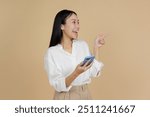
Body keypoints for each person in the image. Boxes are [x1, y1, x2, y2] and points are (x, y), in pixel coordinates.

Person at [44, 9, 105, 100]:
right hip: (65, 96)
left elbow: (94, 72)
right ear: (62, 26)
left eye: (78, 22)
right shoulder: (52, 53)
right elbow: (57, 84)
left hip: (85, 94)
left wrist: (96, 48)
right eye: (74, 22)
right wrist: (76, 73)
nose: (78, 26)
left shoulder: (82, 45)